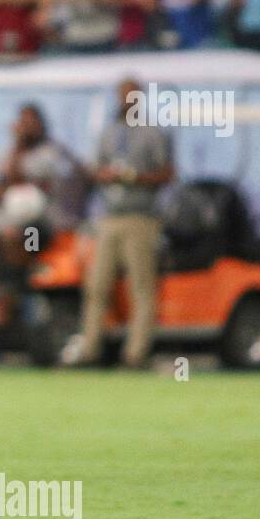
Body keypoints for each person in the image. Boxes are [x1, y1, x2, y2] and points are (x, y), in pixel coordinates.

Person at [66, 78, 174, 370]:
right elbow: (95, 170)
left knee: (141, 286)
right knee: (97, 285)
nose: (127, 101)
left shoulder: (153, 133)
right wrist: (106, 175)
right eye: (123, 96)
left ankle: (136, 354)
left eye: (132, 96)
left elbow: (168, 174)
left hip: (141, 216)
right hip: (109, 217)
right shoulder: (109, 133)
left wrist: (136, 177)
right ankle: (90, 349)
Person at [0, 103, 87, 365]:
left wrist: (18, 158)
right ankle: (13, 295)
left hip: (39, 230)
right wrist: (14, 153)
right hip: (7, 233)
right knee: (5, 238)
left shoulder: (51, 154)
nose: (25, 127)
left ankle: (13, 293)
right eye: (22, 122)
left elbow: (35, 185)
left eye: (30, 122)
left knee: (16, 239)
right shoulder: (5, 154)